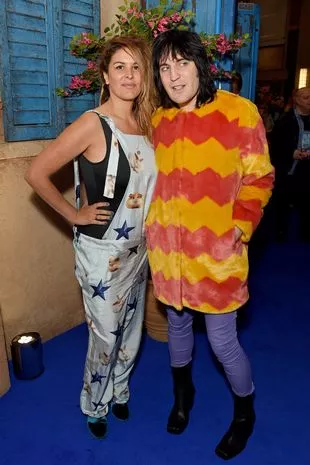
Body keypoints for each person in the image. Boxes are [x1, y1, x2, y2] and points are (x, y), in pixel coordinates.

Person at [145, 30, 274, 460]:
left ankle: (244, 414)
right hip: (169, 254)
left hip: (218, 257)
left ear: (201, 64)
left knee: (223, 343)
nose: (174, 75)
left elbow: (260, 177)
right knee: (177, 328)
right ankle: (183, 397)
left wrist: (242, 224)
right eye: (165, 67)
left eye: (182, 63)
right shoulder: (159, 123)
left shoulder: (240, 113)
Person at [25, 36, 156, 439]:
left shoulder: (150, 125)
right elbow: (36, 174)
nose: (129, 75)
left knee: (131, 330)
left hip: (141, 250)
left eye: (136, 67)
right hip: (102, 252)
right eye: (120, 67)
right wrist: (74, 215)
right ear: (105, 75)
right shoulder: (92, 123)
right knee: (105, 333)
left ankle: (119, 391)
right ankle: (94, 404)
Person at [270, 87, 310, 241]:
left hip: (307, 171)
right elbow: (276, 145)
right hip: (288, 170)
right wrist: (291, 152)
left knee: (306, 204)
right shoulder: (285, 120)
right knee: (283, 204)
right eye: (306, 98)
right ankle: (280, 233)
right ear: (297, 100)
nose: (309, 101)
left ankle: (305, 234)